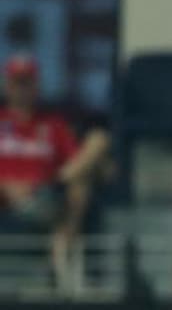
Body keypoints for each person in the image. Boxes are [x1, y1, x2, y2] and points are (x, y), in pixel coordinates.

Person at [0, 54, 110, 296]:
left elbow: (76, 161)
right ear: (7, 85)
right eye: (17, 82)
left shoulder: (53, 124)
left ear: (36, 86)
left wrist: (45, 185)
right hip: (4, 197)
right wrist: (8, 186)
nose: (22, 89)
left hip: (45, 195)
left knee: (96, 145)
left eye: (27, 82)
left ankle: (58, 267)